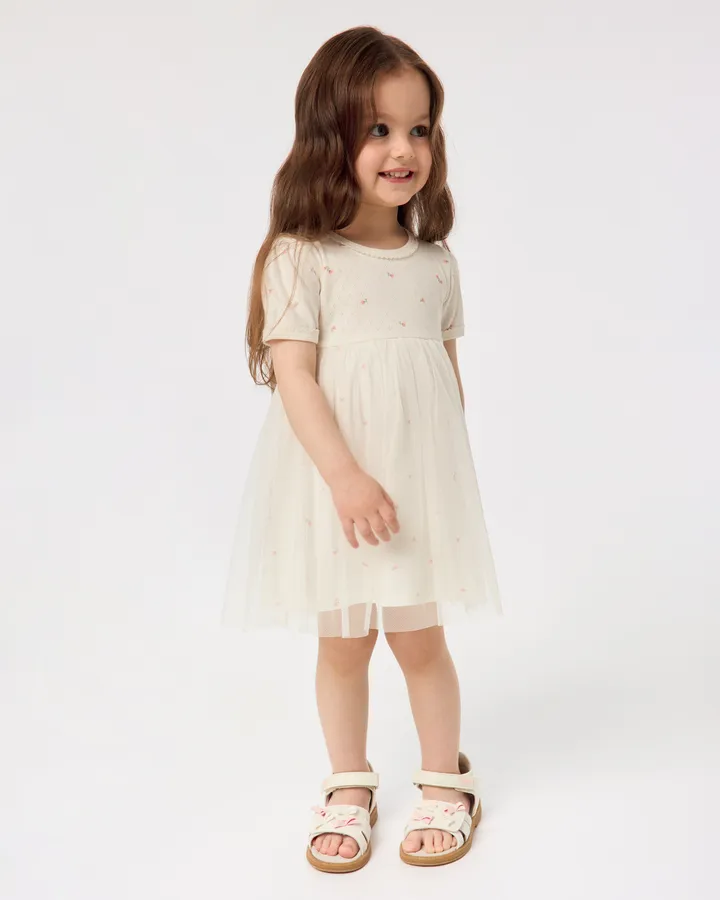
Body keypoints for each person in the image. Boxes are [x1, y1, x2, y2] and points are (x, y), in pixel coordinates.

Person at [222, 25, 503, 872]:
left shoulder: (435, 262)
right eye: (378, 129)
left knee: (421, 639)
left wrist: (439, 487)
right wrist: (345, 478)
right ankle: (348, 780)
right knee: (343, 646)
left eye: (419, 129)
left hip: (413, 491)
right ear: (328, 136)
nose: (403, 149)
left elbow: (445, 381)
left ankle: (445, 777)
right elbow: (296, 378)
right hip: (337, 486)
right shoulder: (301, 258)